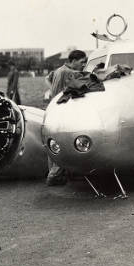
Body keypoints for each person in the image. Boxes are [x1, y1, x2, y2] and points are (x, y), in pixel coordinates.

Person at [45, 49, 87, 186]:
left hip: (66, 112)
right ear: (73, 61)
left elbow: (48, 78)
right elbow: (56, 93)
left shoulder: (63, 71)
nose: (84, 64)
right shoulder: (63, 72)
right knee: (59, 144)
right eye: (81, 62)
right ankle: (54, 175)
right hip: (60, 112)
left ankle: (61, 174)